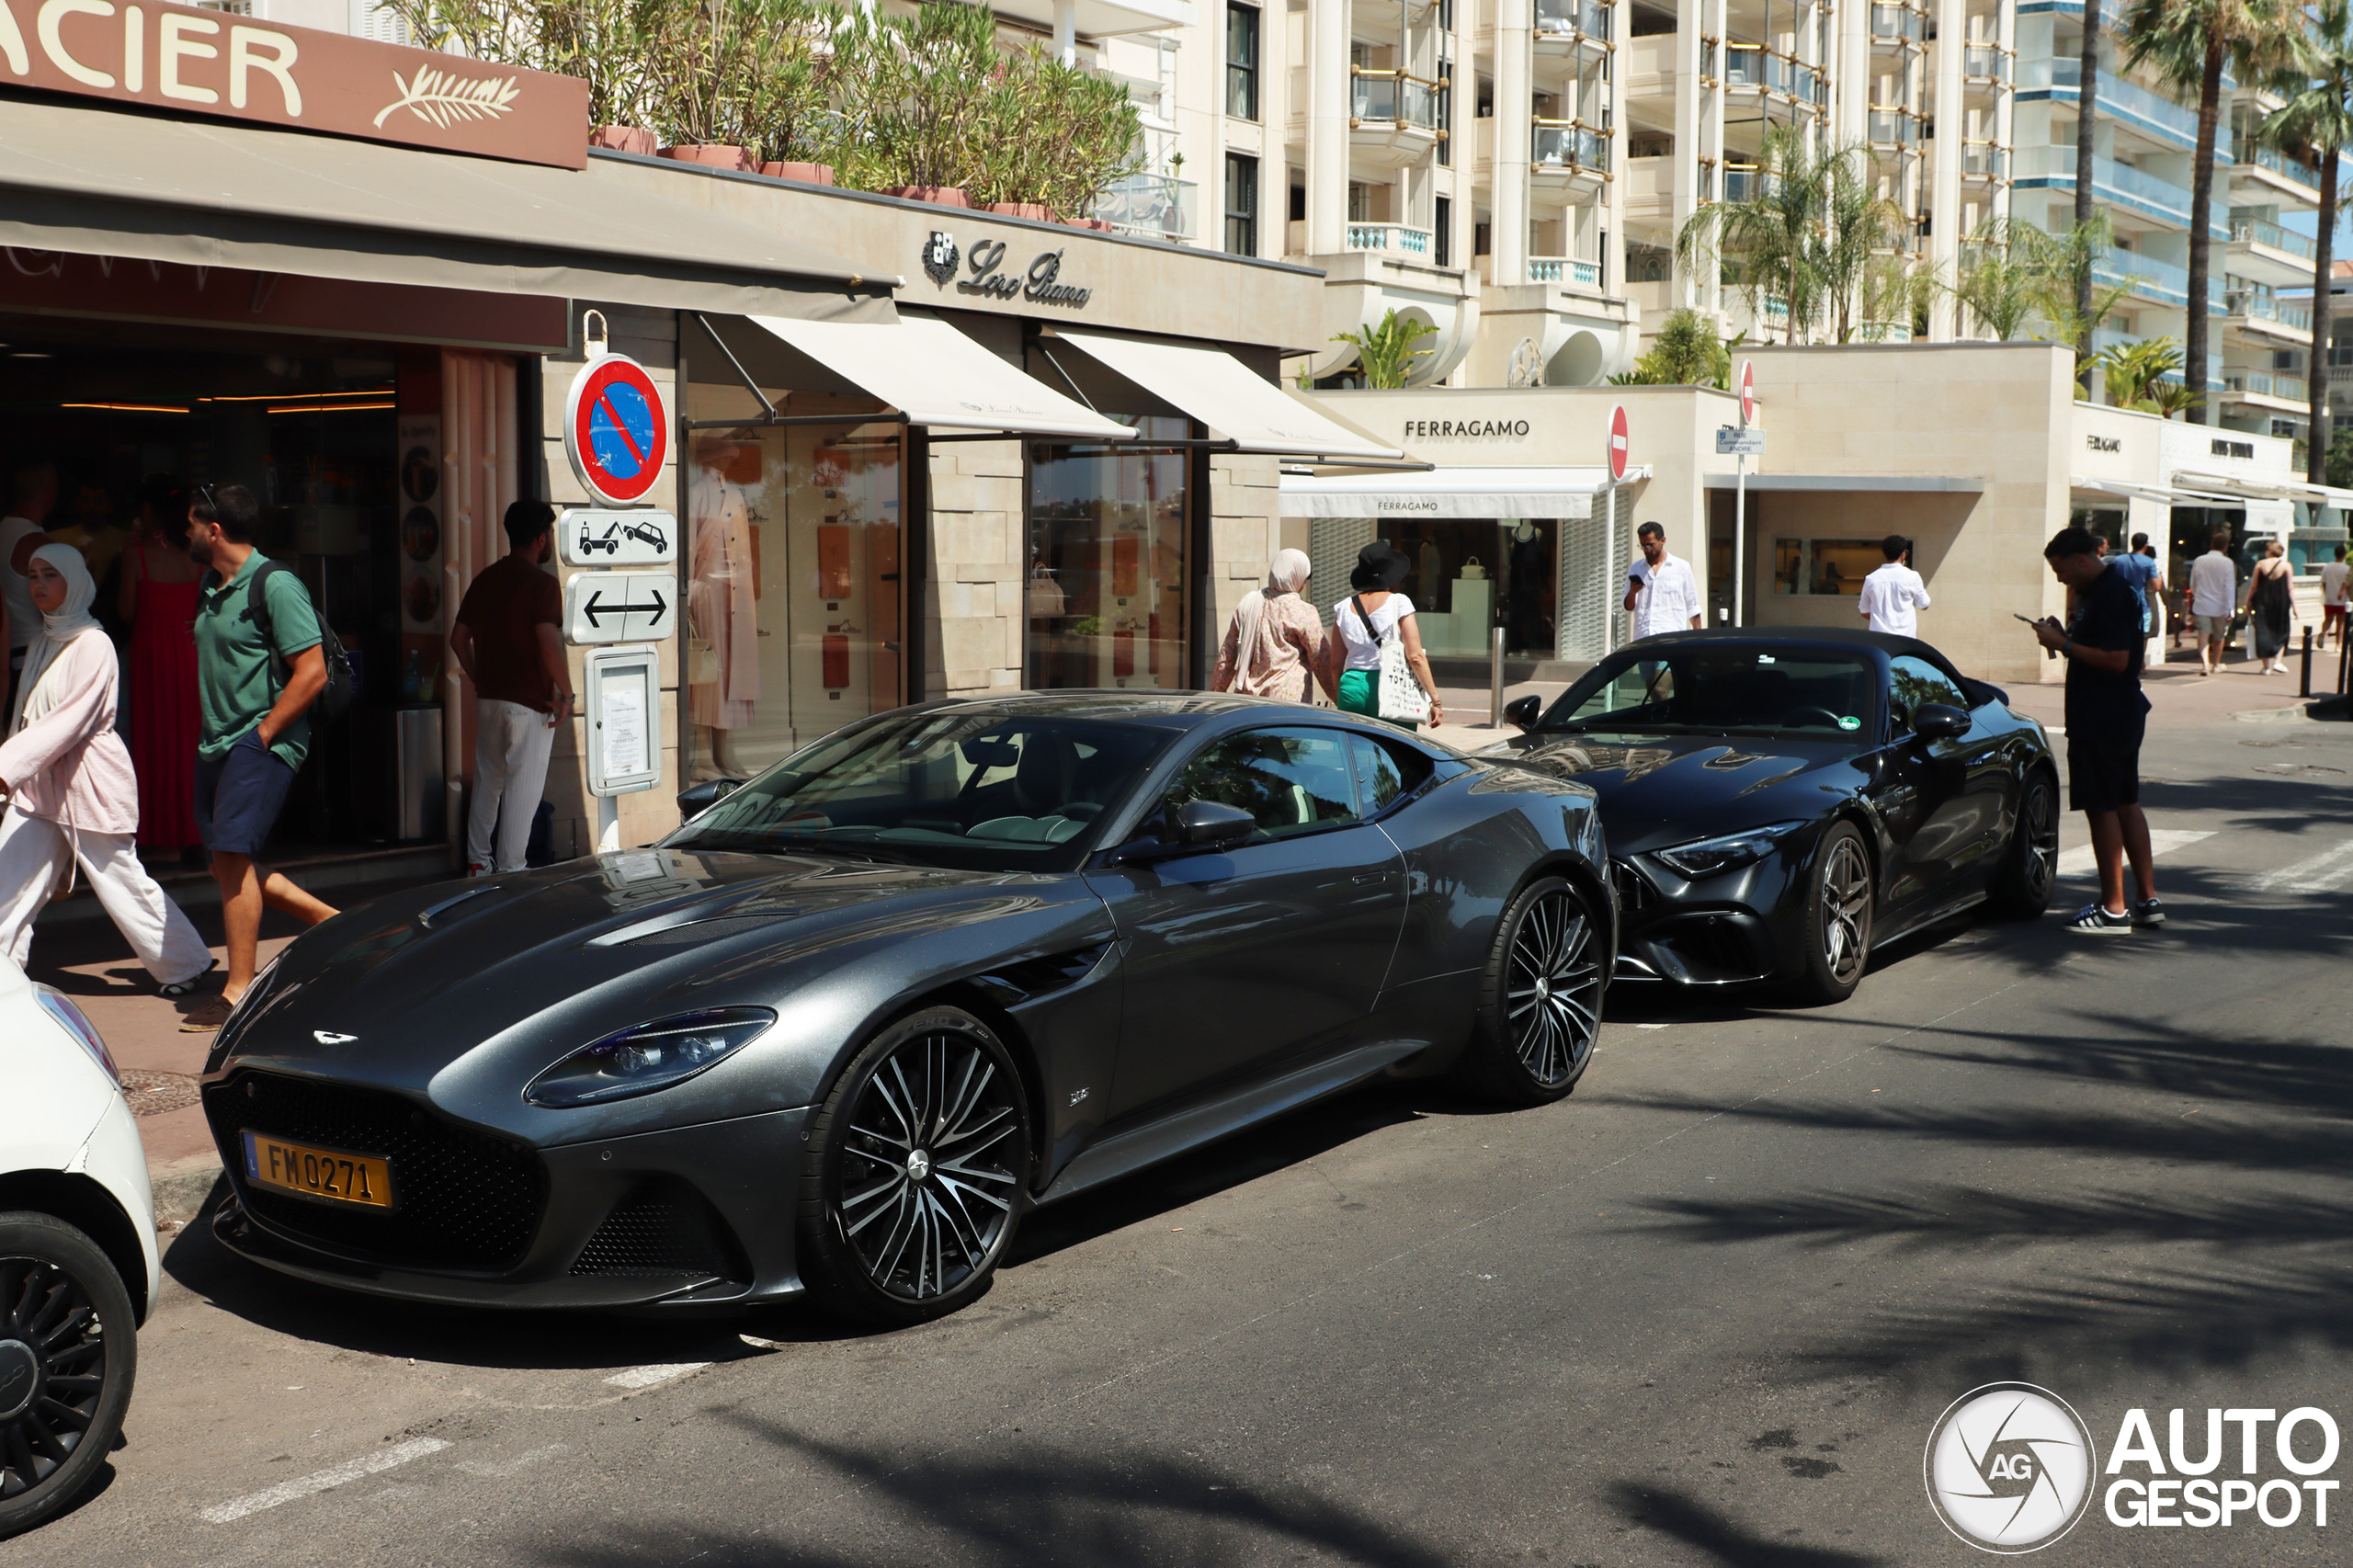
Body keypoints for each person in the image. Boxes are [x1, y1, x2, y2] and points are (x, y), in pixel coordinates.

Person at [0, 545, 211, 991]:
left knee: (121, 879)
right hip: (37, 785)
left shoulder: (94, 643)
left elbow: (70, 720)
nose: (38, 584)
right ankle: (4, 969)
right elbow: (26, 714)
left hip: (87, 781)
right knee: (9, 878)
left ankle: (186, 965)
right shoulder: (42, 641)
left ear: (74, 581)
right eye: (34, 576)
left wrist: (7, 766)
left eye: (50, 575)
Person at [180, 483, 339, 1032]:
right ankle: (335, 924)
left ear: (214, 529)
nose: (187, 533)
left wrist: (265, 733)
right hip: (217, 742)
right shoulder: (210, 585)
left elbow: (312, 671)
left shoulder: (276, 584)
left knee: (232, 854)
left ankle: (237, 992)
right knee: (226, 863)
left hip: (261, 739)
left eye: (191, 524)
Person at [2030, 526, 2159, 932]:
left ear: (2081, 560)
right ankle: (2146, 898)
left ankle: (2115, 908)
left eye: (2061, 569)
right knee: (2124, 802)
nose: (2059, 577)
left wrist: (2064, 645)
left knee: (2102, 807)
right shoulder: (2100, 594)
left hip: (2103, 715)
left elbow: (2117, 659)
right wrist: (2063, 636)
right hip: (2112, 712)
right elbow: (2102, 650)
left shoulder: (2109, 594)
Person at [451, 500, 572, 875]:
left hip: (489, 699)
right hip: (529, 702)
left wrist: (478, 678)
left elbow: (458, 639)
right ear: (541, 538)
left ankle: (476, 863)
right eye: (549, 533)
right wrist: (566, 694)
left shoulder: (485, 579)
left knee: (489, 779)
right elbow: (548, 642)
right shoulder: (543, 585)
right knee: (523, 788)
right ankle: (512, 871)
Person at [118, 476, 203, 854]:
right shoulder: (199, 554)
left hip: (152, 658)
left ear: (148, 511)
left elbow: (125, 611)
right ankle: (197, 834)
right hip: (193, 653)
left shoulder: (136, 553)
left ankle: (158, 836)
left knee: (154, 743)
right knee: (194, 742)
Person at [688, 430, 758, 778]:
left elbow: (742, 551)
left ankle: (722, 755)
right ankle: (703, 757)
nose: (730, 458)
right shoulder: (696, 493)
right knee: (707, 675)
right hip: (706, 593)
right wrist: (687, 594)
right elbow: (686, 550)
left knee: (731, 674)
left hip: (733, 593)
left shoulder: (733, 494)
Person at [1328, 541, 1443, 731]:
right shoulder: (1399, 602)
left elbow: (1335, 664)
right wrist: (1435, 700)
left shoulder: (1342, 608)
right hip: (1392, 687)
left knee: (1355, 752)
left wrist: (1339, 696)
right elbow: (1415, 656)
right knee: (1396, 751)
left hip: (1352, 685)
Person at [1211, 548, 1327, 703]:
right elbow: (1322, 661)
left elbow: (1227, 657)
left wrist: (1214, 696)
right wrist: (1339, 699)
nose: (1305, 583)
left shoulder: (1249, 604)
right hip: (1287, 704)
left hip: (1249, 702)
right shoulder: (1304, 612)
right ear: (1296, 576)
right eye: (1305, 578)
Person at [0, 462, 57, 714]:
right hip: (33, 657)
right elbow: (59, 605)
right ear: (48, 489)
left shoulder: (3, 530)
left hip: (8, 653)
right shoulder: (37, 542)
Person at [1624, 522, 1703, 641]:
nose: (1647, 550)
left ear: (1662, 540)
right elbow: (1628, 607)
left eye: (1650, 545)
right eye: (1643, 546)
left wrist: (1698, 641)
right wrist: (1633, 592)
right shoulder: (1635, 569)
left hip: (1671, 639)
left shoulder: (1681, 567)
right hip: (1643, 638)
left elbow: (1692, 607)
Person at [2186, 530, 2238, 676]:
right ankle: (2216, 663)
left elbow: (2193, 582)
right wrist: (2231, 609)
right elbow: (2229, 587)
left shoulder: (2199, 560)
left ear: (2211, 545)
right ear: (2225, 547)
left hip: (2202, 604)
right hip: (2220, 606)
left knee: (2203, 635)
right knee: (2219, 637)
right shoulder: (2227, 563)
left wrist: (2196, 596)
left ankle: (2205, 664)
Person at [1857, 534, 1931, 636]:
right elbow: (1924, 604)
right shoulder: (1912, 576)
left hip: (1879, 638)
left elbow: (1864, 611)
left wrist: (1880, 622)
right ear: (1903, 554)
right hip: (1906, 639)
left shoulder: (1871, 578)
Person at [2244, 537, 2298, 676]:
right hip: (2281, 602)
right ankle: (2278, 661)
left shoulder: (2260, 565)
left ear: (2269, 551)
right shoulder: (2286, 565)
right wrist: (2295, 607)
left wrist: (2248, 601)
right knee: (2281, 630)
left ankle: (2266, 666)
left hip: (2263, 602)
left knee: (2263, 631)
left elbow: (2254, 586)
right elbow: (2290, 588)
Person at [2107, 530, 2160, 645]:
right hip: (2141, 605)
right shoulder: (2149, 562)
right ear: (2145, 545)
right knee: (2142, 638)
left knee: (2122, 636)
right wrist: (2159, 577)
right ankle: (2138, 661)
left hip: (2121, 604)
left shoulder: (2118, 560)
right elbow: (2156, 586)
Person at [2323, 543, 2349, 652]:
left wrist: (2327, 593)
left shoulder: (2327, 567)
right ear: (2344, 555)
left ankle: (2323, 633)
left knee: (2328, 620)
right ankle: (2338, 645)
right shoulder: (2347, 569)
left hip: (2329, 598)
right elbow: (2349, 584)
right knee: (2341, 623)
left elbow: (2324, 583)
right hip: (2342, 600)